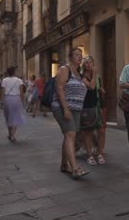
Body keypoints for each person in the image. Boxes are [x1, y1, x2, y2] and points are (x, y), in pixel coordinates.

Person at [52, 48, 90, 179]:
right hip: (63, 108)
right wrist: (65, 108)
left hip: (76, 109)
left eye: (81, 55)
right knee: (70, 135)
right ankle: (75, 168)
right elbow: (59, 88)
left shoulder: (78, 73)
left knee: (69, 136)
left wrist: (93, 71)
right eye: (76, 55)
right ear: (70, 57)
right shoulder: (65, 69)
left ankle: (64, 165)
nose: (80, 57)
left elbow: (91, 87)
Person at [79, 55, 106, 165]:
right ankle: (90, 156)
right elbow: (91, 86)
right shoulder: (82, 77)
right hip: (86, 107)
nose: (89, 64)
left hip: (97, 106)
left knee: (101, 131)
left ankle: (100, 153)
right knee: (88, 132)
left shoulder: (97, 76)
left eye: (90, 62)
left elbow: (98, 88)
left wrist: (102, 91)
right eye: (86, 63)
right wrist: (94, 74)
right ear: (83, 66)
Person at [1, 66, 26, 141]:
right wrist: (21, 102)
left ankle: (9, 133)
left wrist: (2, 101)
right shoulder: (19, 80)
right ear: (14, 72)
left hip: (7, 99)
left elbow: (3, 92)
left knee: (8, 117)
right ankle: (13, 135)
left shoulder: (4, 80)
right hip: (16, 99)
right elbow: (21, 93)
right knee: (15, 117)